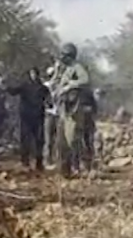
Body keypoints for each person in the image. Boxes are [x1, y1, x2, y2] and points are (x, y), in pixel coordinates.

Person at [53, 43, 92, 177]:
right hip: (63, 110)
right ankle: (65, 170)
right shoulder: (65, 69)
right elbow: (55, 85)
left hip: (73, 111)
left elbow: (85, 80)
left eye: (64, 55)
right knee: (61, 142)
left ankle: (82, 165)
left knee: (72, 140)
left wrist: (70, 85)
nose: (62, 57)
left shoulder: (77, 67)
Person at [7, 67, 51, 171]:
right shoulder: (24, 85)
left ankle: (39, 163)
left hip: (38, 116)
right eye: (31, 73)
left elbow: (49, 100)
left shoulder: (43, 88)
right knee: (25, 139)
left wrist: (48, 104)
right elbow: (13, 91)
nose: (33, 75)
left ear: (37, 74)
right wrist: (6, 86)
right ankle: (25, 162)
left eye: (35, 73)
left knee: (39, 140)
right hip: (26, 117)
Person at [43, 66, 59, 166]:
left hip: (58, 114)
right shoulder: (46, 86)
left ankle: (56, 160)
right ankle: (48, 160)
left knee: (58, 139)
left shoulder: (59, 86)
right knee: (48, 139)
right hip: (49, 114)